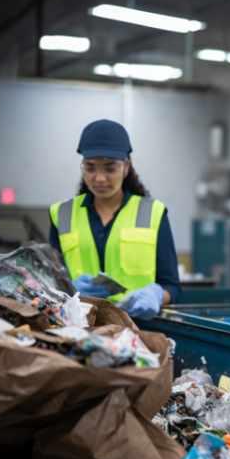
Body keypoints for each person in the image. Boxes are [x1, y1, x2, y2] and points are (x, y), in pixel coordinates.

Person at [49, 119, 181, 319]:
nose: (100, 178)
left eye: (110, 168)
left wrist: (156, 296)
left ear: (126, 167)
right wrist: (68, 290)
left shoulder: (153, 212)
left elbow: (172, 287)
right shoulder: (62, 214)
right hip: (80, 329)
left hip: (138, 331)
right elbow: (48, 285)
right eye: (90, 168)